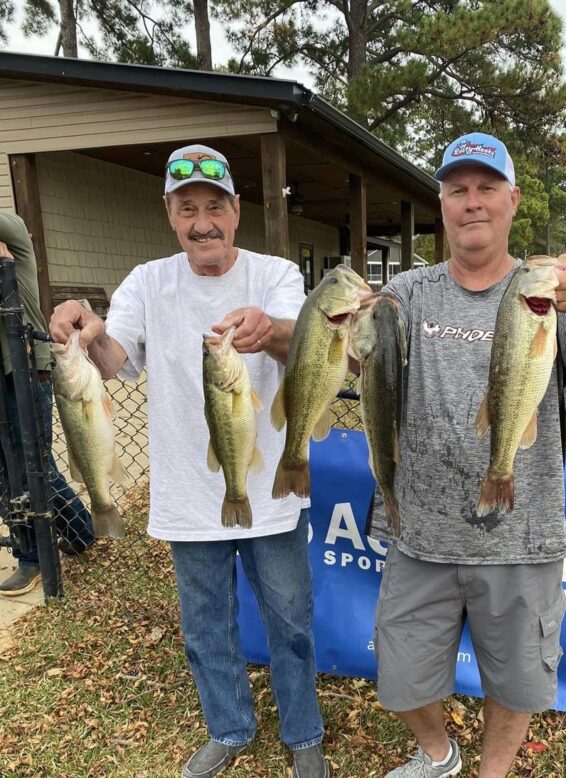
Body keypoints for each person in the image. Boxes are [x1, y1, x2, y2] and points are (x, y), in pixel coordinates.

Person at [48, 145, 328, 778]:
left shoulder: (276, 273)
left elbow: (305, 344)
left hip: (270, 490)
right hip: (185, 493)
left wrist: (274, 331)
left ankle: (303, 732)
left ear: (236, 211)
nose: (203, 221)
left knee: (290, 619)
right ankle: (229, 728)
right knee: (205, 627)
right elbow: (117, 360)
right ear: (171, 217)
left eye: (214, 206)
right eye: (187, 208)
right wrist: (84, 330)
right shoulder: (147, 281)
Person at [369, 132, 566, 778]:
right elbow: (342, 347)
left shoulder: (550, 295)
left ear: (513, 200)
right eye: (458, 190)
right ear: (442, 204)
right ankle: (439, 755)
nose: (473, 203)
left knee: (516, 684)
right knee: (401, 678)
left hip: (524, 533)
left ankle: (492, 773)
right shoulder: (407, 293)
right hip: (421, 535)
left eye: (487, 188)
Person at [0, 212, 94, 597]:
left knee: (33, 466)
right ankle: (71, 534)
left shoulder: (14, 231)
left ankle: (40, 555)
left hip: (25, 368)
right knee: (6, 472)